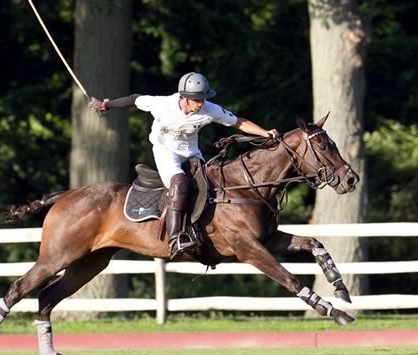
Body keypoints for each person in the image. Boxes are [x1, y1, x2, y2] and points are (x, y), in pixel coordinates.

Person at [88, 72, 279, 259]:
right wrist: (106, 105)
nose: (202, 103)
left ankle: (207, 230)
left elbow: (238, 122)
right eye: (198, 100)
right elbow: (134, 99)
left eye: (204, 99)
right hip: (166, 153)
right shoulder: (162, 104)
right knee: (179, 183)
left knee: (213, 185)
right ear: (186, 98)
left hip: (192, 155)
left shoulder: (209, 110)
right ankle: (176, 237)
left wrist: (264, 133)